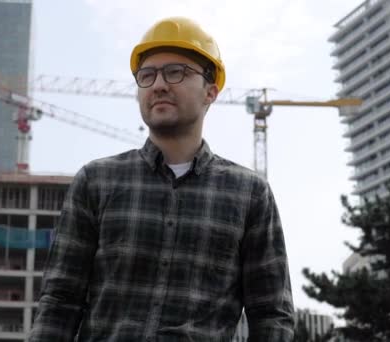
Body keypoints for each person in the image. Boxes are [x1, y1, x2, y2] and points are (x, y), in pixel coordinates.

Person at [29, 16, 295, 342]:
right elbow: (60, 300)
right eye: (147, 75)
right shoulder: (96, 182)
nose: (158, 84)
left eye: (176, 72)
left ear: (210, 91)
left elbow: (271, 315)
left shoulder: (250, 194)